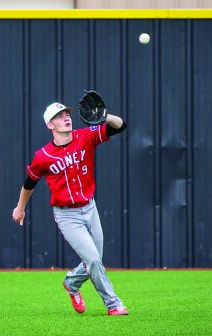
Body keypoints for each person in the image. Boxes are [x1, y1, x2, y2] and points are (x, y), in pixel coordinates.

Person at [11, 101, 128, 316]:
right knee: (92, 260)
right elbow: (29, 183)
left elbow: (120, 125)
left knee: (95, 260)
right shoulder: (43, 156)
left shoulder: (85, 136)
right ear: (50, 125)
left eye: (67, 114)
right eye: (59, 116)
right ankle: (113, 304)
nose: (66, 118)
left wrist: (105, 115)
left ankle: (72, 282)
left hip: (90, 208)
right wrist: (20, 208)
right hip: (67, 215)